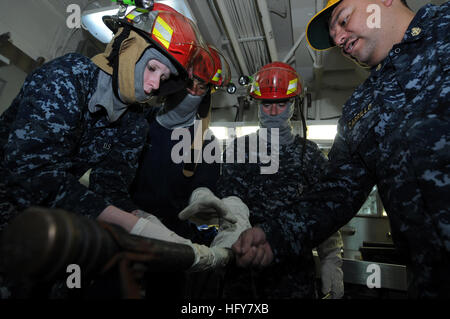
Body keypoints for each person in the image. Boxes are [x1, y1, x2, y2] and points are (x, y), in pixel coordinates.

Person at [0, 7, 236, 297]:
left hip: (46, 233)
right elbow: (32, 178)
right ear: (127, 48)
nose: (153, 86)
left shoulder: (134, 121)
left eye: (164, 78)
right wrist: (130, 223)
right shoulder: (67, 78)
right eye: (151, 68)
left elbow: (110, 187)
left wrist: (145, 220)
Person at [233, 0, 450, 298]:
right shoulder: (361, 108)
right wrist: (275, 236)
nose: (337, 39)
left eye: (343, 20)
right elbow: (336, 193)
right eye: (332, 34)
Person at [216, 62, 344, 299]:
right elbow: (231, 206)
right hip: (245, 273)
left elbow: (323, 211)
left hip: (294, 276)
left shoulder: (311, 154)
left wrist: (330, 259)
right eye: (267, 104)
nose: (273, 112)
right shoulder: (239, 149)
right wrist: (233, 243)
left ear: (293, 105)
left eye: (281, 103)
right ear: (257, 105)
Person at [129, 44, 238, 298]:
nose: (193, 92)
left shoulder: (204, 141)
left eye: (202, 87)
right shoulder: (137, 121)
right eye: (189, 83)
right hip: (124, 235)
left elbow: (203, 188)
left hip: (170, 249)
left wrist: (202, 197)